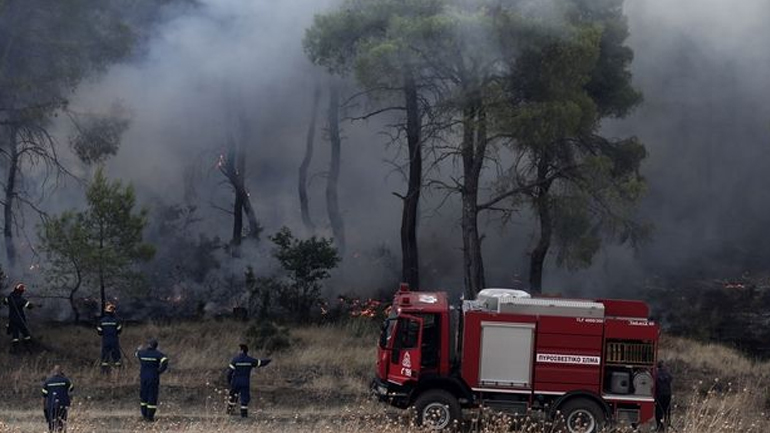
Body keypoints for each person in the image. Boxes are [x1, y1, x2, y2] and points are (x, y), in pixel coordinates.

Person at [226, 344, 271, 418]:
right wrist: (269, 360)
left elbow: (229, 373)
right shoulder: (250, 360)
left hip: (235, 382)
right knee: (244, 399)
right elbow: (261, 363)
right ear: (247, 351)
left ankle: (229, 413)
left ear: (241, 350)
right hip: (245, 382)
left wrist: (229, 382)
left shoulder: (235, 360)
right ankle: (244, 416)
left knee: (232, 397)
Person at [135, 338, 168, 422]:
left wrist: (138, 349)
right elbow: (165, 360)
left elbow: (136, 353)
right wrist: (160, 371)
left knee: (144, 396)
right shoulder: (157, 354)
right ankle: (150, 417)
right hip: (153, 378)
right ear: (156, 346)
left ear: (148, 345)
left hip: (143, 378)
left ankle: (144, 415)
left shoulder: (142, 353)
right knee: (152, 396)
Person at [42, 365, 74, 433]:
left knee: (52, 422)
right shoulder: (65, 380)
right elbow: (71, 388)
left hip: (51, 405)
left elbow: (44, 395)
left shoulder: (48, 381)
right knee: (62, 421)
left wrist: (44, 407)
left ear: (53, 372)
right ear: (61, 372)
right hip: (63, 405)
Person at [3, 283, 34, 353]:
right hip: (20, 319)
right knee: (26, 333)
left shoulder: (9, 298)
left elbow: (4, 302)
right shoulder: (21, 300)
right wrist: (33, 304)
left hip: (12, 319)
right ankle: (29, 348)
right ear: (21, 292)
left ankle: (15, 350)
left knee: (15, 335)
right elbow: (30, 306)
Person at [97, 303, 123, 373]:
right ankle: (118, 371)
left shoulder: (101, 321)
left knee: (105, 356)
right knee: (116, 356)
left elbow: (99, 332)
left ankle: (104, 371)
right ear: (113, 312)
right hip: (114, 341)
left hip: (105, 341)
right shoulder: (117, 321)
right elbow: (119, 331)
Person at [655, 360, 673, 431]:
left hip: (659, 395)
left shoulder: (656, 374)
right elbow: (671, 379)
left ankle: (660, 427)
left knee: (658, 412)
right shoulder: (668, 374)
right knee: (667, 411)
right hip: (667, 395)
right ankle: (667, 426)